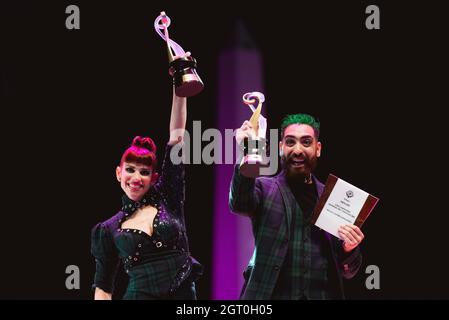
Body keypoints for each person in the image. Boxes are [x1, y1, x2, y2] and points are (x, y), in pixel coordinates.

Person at [229, 113, 364, 300]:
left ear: (318, 149)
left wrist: (349, 248)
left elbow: (348, 271)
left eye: (306, 142)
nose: (298, 150)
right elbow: (239, 203)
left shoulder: (334, 198)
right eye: (290, 142)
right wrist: (250, 148)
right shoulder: (264, 187)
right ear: (280, 147)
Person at [90, 82, 202, 300]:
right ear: (118, 174)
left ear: (154, 178)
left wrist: (179, 85)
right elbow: (103, 287)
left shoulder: (169, 197)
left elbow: (177, 137)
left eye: (144, 172)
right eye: (130, 170)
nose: (136, 177)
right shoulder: (108, 229)